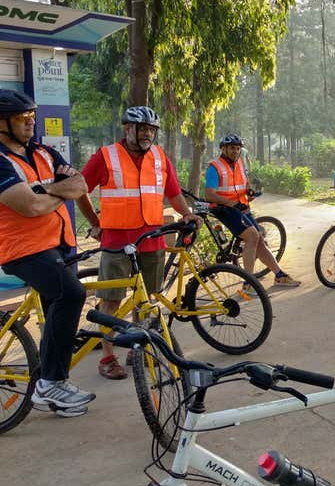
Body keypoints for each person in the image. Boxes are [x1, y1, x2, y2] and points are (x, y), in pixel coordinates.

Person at [76, 106, 201, 380]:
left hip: (152, 240)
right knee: (111, 301)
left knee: (147, 299)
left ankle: (137, 347)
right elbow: (79, 190)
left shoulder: (159, 157)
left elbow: (174, 193)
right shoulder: (105, 156)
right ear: (127, 129)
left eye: (151, 130)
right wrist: (95, 223)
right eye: (142, 128)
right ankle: (108, 357)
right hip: (117, 240)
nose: (147, 134)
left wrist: (187, 213)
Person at [0, 89, 93, 415]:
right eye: (22, 118)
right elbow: (28, 205)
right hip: (23, 249)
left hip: (58, 242)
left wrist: (45, 189)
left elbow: (80, 184)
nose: (30, 123)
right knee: (71, 295)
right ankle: (51, 382)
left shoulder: (42, 152)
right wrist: (54, 191)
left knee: (56, 312)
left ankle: (53, 394)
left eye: (32, 117)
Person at [204, 133, 300, 287]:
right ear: (223, 149)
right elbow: (209, 194)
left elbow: (244, 183)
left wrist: (249, 192)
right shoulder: (215, 167)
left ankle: (279, 275)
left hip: (241, 206)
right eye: (232, 148)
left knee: (259, 239)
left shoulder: (240, 163)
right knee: (253, 236)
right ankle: (249, 283)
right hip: (224, 208)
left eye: (237, 148)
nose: (235, 151)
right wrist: (231, 203)